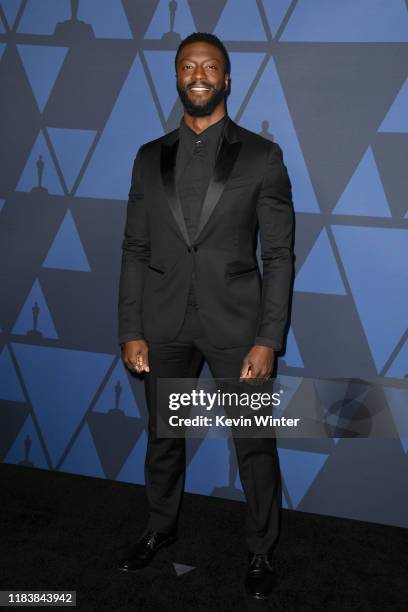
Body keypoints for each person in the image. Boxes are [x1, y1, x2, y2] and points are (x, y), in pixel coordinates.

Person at [117, 32, 294, 600]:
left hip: (238, 327)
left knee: (254, 443)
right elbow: (135, 250)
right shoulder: (149, 157)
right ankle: (159, 529)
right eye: (188, 66)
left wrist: (269, 337)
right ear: (176, 78)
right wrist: (131, 328)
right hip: (164, 323)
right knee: (163, 438)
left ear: (226, 79)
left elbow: (278, 254)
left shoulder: (262, 156)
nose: (199, 74)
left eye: (209, 66)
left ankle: (262, 550)